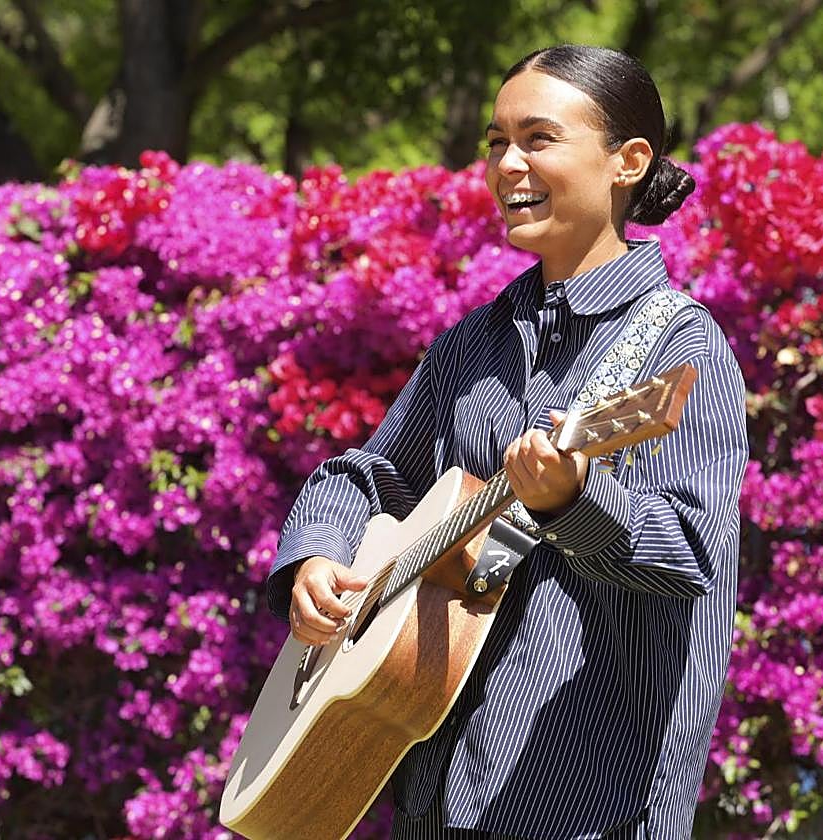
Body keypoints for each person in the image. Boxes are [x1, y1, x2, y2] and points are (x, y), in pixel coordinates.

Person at [265, 45, 749, 840]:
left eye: (538, 138)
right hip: (429, 782)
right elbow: (370, 477)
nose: (507, 163)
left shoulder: (680, 350)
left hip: (588, 802)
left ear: (627, 161)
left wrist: (573, 499)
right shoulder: (470, 346)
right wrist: (318, 557)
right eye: (496, 141)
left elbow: (689, 555)